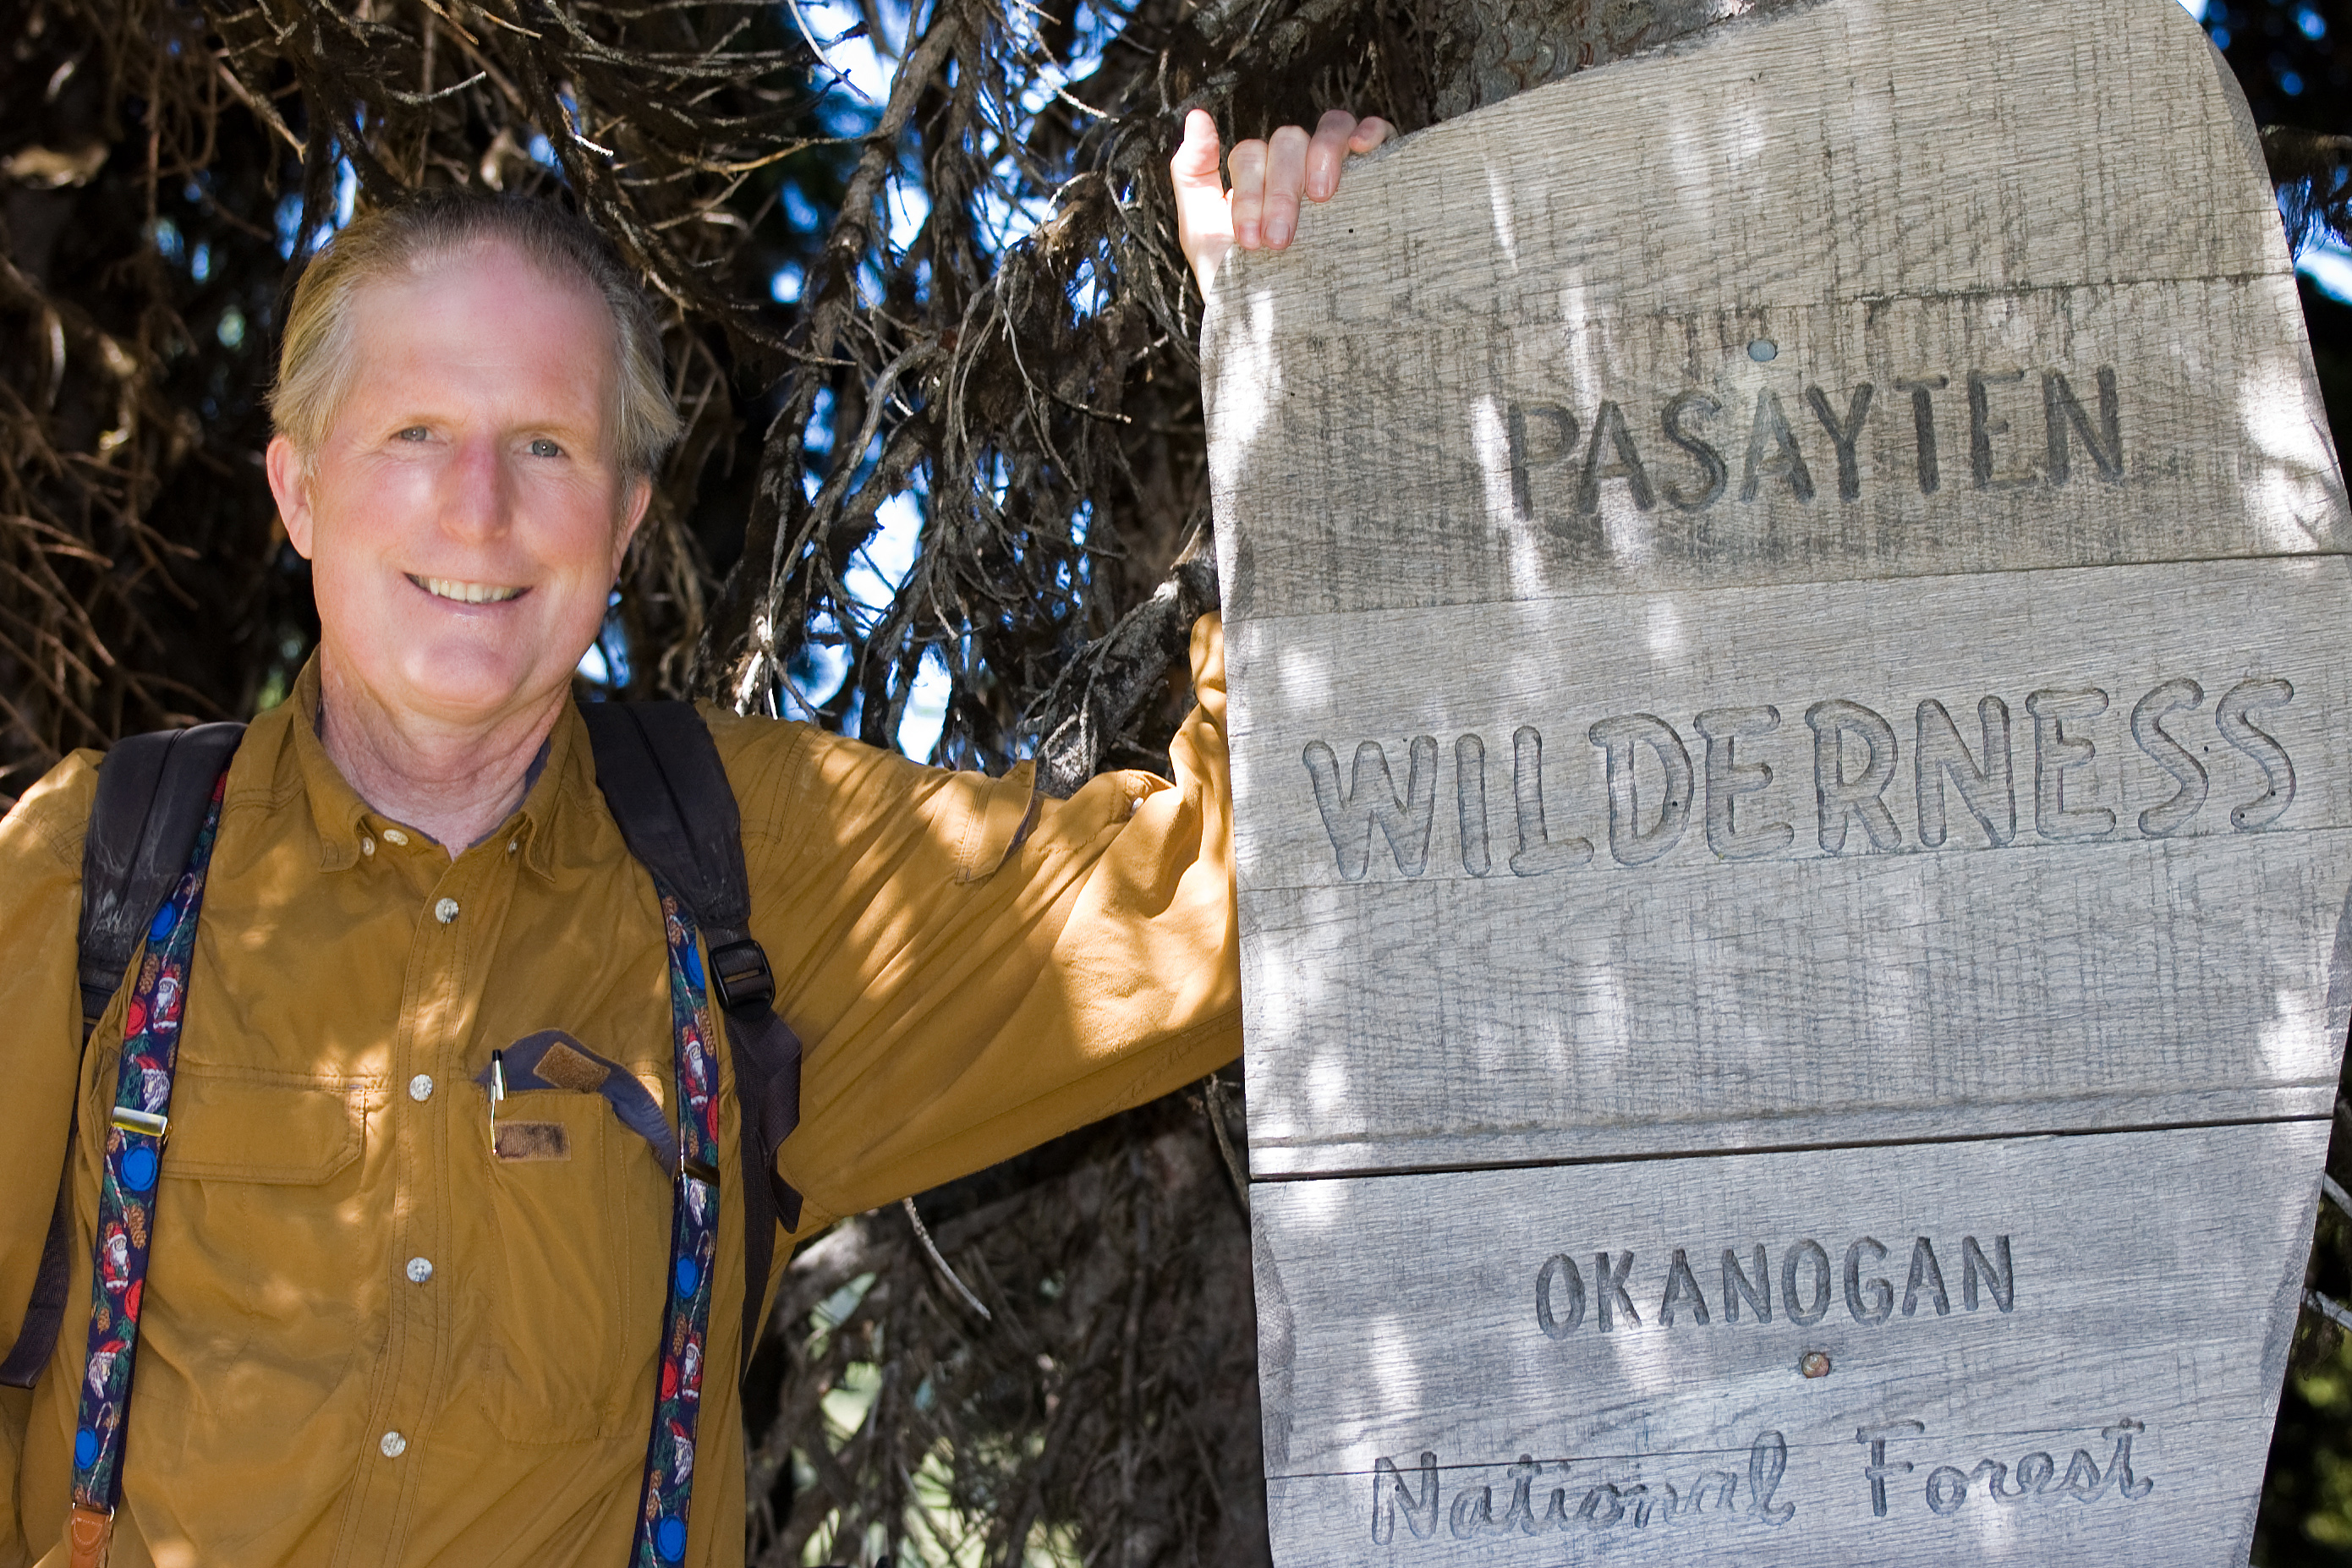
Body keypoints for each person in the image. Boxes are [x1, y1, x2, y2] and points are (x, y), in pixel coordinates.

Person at [0, 107, 1389, 1568]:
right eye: (416, 434)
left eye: (546, 445)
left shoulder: (748, 873)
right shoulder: (100, 872)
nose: (479, 511)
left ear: (623, 520)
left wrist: (1298, 371)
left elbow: (1229, 906)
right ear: (299, 490)